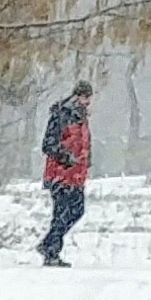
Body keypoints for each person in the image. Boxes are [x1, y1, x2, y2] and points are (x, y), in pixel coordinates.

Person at [40, 82, 94, 267]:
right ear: (77, 96)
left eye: (89, 98)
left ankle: (49, 245)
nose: (88, 102)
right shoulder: (62, 115)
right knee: (62, 213)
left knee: (76, 211)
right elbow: (48, 144)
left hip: (77, 175)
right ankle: (51, 251)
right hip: (60, 174)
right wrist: (65, 158)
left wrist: (86, 162)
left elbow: (84, 143)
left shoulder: (82, 118)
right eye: (85, 98)